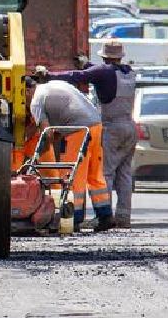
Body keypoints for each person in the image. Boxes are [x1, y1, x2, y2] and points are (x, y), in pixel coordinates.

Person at [48, 40, 138, 227]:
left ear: (104, 57)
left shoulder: (104, 72)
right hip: (129, 127)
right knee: (124, 174)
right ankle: (123, 218)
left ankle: (105, 217)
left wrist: (48, 75)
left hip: (111, 128)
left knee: (105, 173)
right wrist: (87, 64)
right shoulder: (128, 72)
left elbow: (77, 76)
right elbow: (102, 72)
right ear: (120, 57)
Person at [27, 65, 115, 231]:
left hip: (78, 130)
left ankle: (74, 219)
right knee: (94, 173)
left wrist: (38, 156)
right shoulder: (56, 84)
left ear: (26, 91)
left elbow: (48, 133)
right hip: (96, 125)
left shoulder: (36, 100)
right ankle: (105, 216)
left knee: (73, 175)